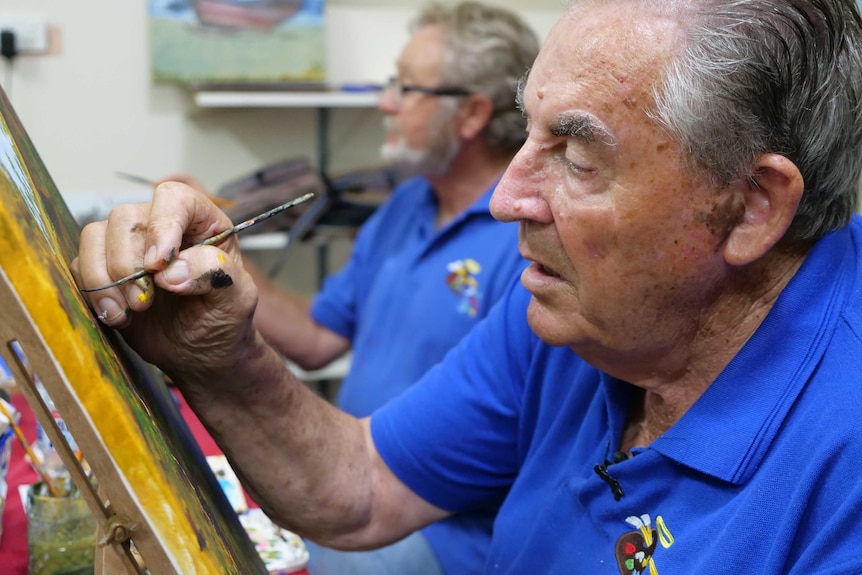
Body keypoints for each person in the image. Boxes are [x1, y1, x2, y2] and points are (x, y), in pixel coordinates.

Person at [73, 0, 862, 572]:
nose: (504, 200)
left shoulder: (842, 455)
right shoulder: (579, 314)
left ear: (751, 207)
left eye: (578, 156)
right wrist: (221, 358)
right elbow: (363, 485)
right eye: (527, 134)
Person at [156, 3, 539, 574]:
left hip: (442, 531)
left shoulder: (526, 239)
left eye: (406, 89)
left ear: (472, 114)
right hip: (348, 477)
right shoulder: (406, 204)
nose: (385, 103)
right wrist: (221, 253)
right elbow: (316, 337)